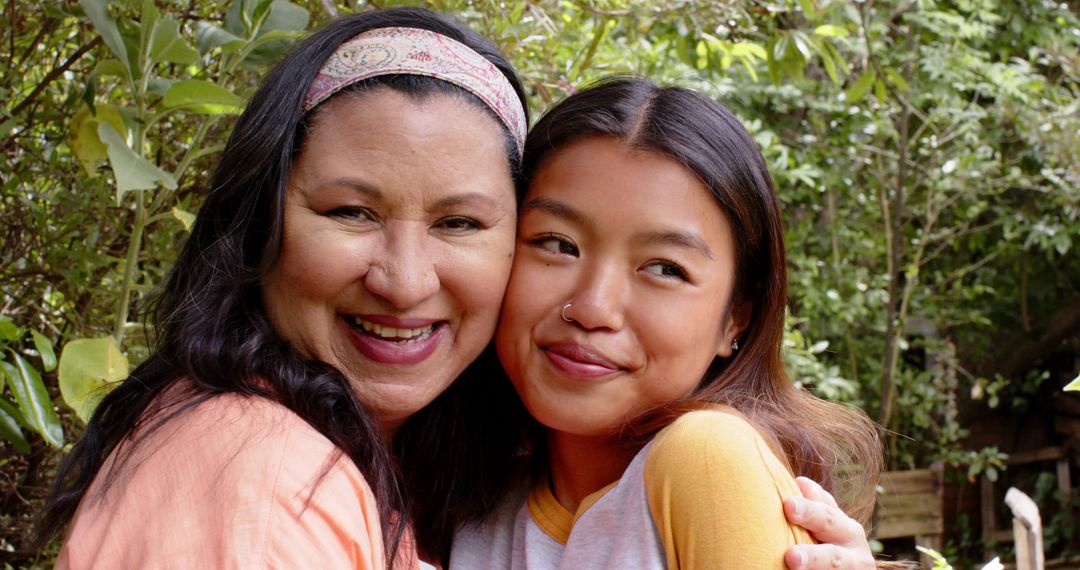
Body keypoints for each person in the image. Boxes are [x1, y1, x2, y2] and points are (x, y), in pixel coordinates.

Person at [38, 7, 879, 569]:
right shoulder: (264, 480)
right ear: (263, 220)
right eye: (350, 210)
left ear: (738, 317)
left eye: (460, 224)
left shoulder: (690, 463)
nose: (404, 280)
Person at [449, 78, 883, 569]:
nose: (592, 308)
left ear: (736, 317)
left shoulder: (708, 458)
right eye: (557, 243)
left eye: (664, 269)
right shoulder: (463, 499)